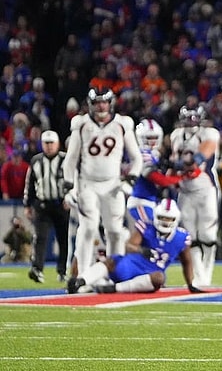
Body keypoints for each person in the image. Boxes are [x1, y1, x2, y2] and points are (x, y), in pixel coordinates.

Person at [63, 88, 142, 275]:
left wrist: (130, 180)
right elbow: (71, 159)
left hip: (113, 184)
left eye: (104, 102)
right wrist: (69, 187)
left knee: (115, 231)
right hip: (87, 183)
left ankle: (114, 273)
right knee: (88, 227)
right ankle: (82, 276)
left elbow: (137, 158)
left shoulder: (122, 124)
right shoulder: (81, 124)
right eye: (97, 102)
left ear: (110, 103)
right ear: (90, 105)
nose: (101, 106)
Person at [66, 198, 203, 294]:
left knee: (160, 278)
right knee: (111, 261)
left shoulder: (182, 237)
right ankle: (80, 282)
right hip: (131, 266)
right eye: (162, 218)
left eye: (168, 219)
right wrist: (142, 250)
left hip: (149, 276)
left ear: (175, 220)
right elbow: (128, 246)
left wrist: (190, 284)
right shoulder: (146, 227)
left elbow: (187, 262)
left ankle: (115, 289)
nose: (165, 222)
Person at [170, 104, 221, 287]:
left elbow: (201, 157)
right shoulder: (176, 135)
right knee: (189, 236)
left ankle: (208, 274)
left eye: (194, 118)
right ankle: (199, 277)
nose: (190, 122)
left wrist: (183, 164)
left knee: (208, 234)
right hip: (185, 190)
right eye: (188, 118)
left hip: (206, 189)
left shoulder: (210, 133)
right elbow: (175, 159)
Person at [23, 130, 70, 282]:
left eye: (51, 143)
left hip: (61, 204)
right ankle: (37, 269)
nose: (49, 146)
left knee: (63, 239)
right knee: (40, 237)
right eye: (46, 143)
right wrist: (28, 204)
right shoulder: (36, 160)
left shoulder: (66, 159)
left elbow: (74, 180)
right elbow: (30, 184)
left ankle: (62, 270)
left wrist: (71, 198)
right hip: (42, 205)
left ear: (57, 144)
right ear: (42, 144)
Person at [127, 119, 192, 226]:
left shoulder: (155, 154)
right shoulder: (142, 154)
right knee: (147, 236)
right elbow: (159, 180)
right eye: (148, 138)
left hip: (151, 202)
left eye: (155, 138)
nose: (152, 141)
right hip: (141, 202)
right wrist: (182, 178)